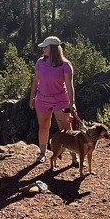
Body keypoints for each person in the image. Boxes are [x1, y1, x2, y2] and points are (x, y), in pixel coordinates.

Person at [28, 35, 77, 164]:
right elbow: (35, 80)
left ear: (53, 48)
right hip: (42, 99)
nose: (43, 48)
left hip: (61, 100)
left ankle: (74, 157)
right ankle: (42, 153)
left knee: (66, 129)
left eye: (45, 46)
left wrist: (72, 103)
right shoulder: (40, 62)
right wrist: (32, 97)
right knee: (43, 126)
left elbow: (69, 85)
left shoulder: (65, 65)